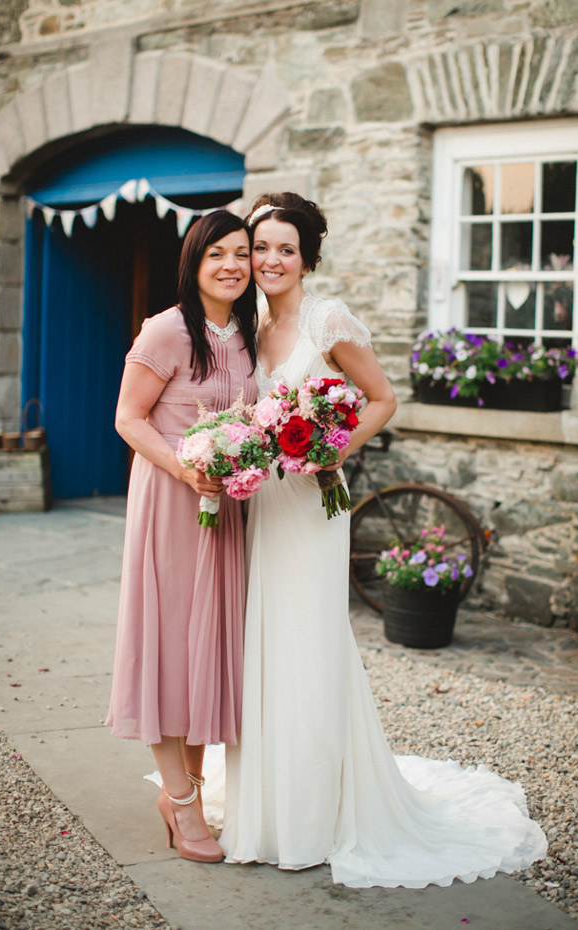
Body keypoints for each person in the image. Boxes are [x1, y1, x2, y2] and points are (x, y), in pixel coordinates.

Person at [218, 193, 547, 887]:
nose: (270, 260)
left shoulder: (327, 319)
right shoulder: (246, 321)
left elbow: (381, 398)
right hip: (261, 503)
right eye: (261, 247)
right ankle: (266, 806)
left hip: (312, 504)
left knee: (310, 642)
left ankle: (315, 816)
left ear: (307, 256)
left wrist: (333, 450)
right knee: (262, 643)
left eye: (285, 248)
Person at [106, 210, 257, 863]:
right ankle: (184, 804)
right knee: (169, 647)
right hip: (172, 501)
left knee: (205, 652)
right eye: (216, 253)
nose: (231, 265)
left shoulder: (249, 332)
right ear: (194, 263)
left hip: (227, 512)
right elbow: (128, 418)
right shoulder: (165, 331)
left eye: (241, 253)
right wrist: (183, 466)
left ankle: (184, 791)